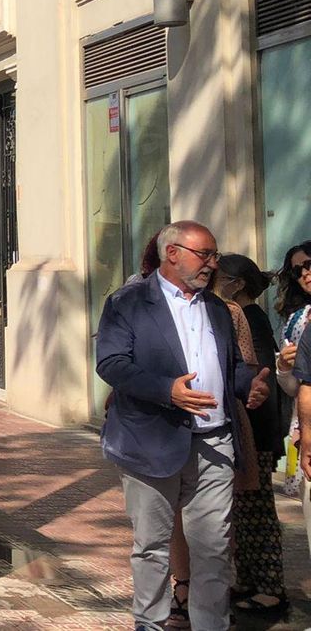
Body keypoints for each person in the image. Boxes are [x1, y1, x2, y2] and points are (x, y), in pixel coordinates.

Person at [96, 220, 267, 631]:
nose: (213, 264)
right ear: (172, 253)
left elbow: (227, 368)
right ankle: (150, 624)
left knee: (213, 547)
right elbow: (112, 363)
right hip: (150, 442)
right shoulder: (128, 302)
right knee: (152, 546)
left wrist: (249, 383)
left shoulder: (218, 308)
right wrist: (166, 390)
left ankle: (212, 625)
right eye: (204, 254)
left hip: (214, 442)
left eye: (215, 256)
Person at [214, 254, 288, 616]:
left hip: (256, 431)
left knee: (257, 511)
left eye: (221, 276)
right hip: (248, 430)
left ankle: (271, 586)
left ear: (237, 283)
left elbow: (257, 378)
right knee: (242, 512)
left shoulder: (252, 319)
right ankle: (248, 579)